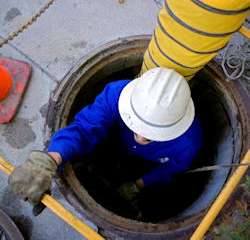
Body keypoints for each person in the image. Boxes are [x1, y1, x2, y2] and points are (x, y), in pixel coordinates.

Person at [8, 67, 202, 208]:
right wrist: (50, 160)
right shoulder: (117, 95)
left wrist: (139, 184)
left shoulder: (188, 142)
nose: (141, 138)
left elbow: (173, 167)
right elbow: (85, 128)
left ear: (174, 128)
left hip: (145, 163)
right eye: (138, 125)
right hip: (116, 143)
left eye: (152, 134)